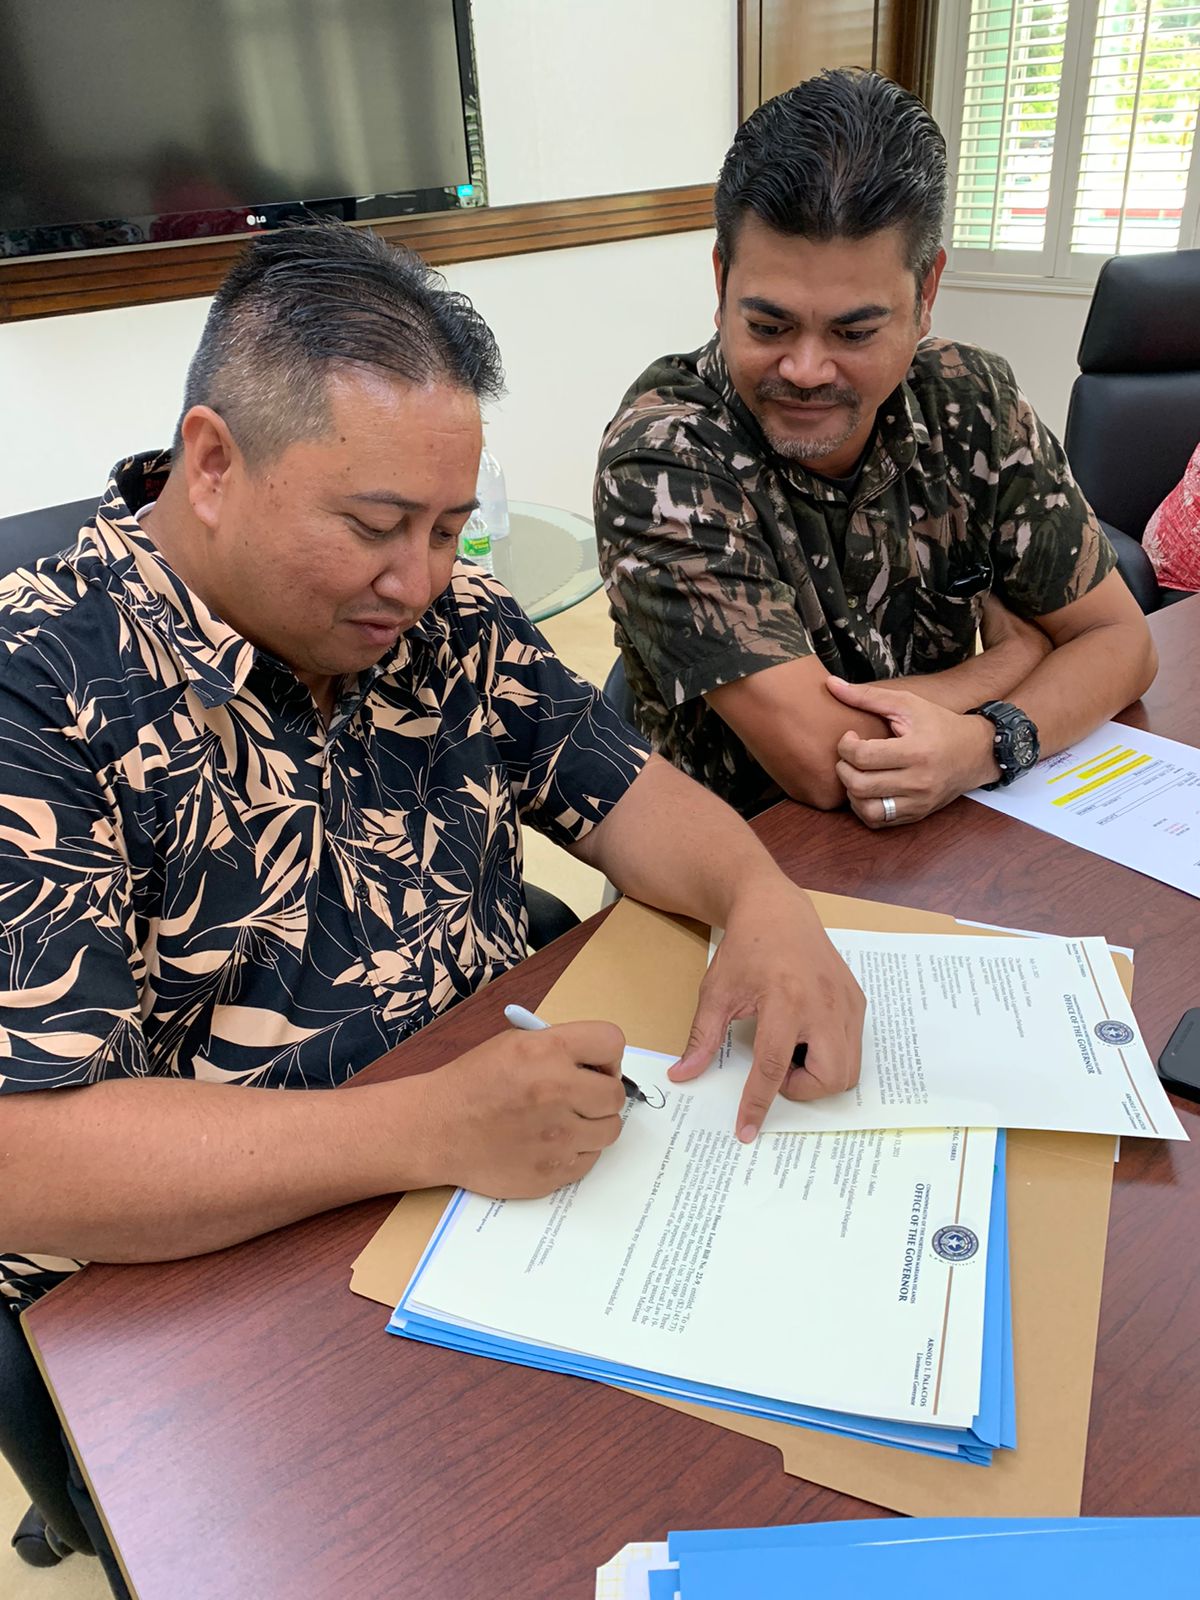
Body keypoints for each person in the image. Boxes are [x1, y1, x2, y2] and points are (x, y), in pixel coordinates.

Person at [0, 222, 865, 1323]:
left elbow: (633, 798)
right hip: (221, 1275)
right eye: (375, 526)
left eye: (450, 528)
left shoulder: (452, 621)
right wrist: (433, 1126)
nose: (415, 581)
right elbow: (25, 1156)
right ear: (212, 465)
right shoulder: (40, 689)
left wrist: (762, 899)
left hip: (506, 1175)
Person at [594, 69, 1157, 827]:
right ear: (723, 280)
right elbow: (827, 764)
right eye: (769, 326)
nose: (805, 370)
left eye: (854, 332)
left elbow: (1123, 644)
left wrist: (988, 742)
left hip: (952, 832)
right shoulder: (664, 456)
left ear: (926, 295)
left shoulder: (969, 399)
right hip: (745, 857)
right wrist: (1014, 661)